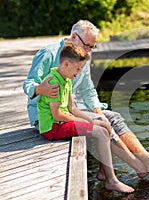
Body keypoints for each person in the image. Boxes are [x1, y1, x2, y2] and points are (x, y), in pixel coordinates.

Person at [23, 19, 149, 179]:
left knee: (111, 117)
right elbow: (29, 83)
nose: (89, 51)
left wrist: (97, 111)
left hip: (69, 108)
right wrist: (40, 89)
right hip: (46, 116)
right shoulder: (49, 53)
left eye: (92, 47)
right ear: (74, 36)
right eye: (87, 45)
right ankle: (137, 166)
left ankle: (145, 159)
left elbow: (87, 89)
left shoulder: (82, 57)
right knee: (102, 123)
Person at [38, 41, 134, 193]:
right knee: (101, 133)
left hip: (63, 121)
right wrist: (83, 121)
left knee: (105, 125)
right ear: (67, 64)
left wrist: (92, 119)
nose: (79, 72)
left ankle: (103, 171)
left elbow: (72, 108)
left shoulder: (66, 79)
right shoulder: (53, 82)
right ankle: (112, 181)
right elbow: (57, 114)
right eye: (78, 68)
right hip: (53, 127)